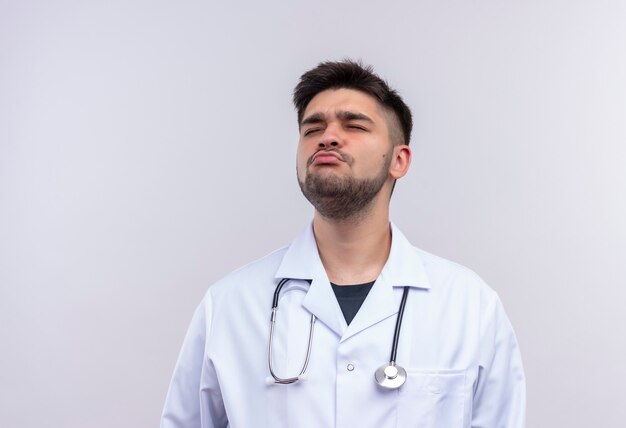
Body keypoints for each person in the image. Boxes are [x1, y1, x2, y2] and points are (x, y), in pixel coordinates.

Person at [161, 60, 526, 428]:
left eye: (353, 125)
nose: (328, 137)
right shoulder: (230, 304)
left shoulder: (469, 306)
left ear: (399, 160)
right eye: (312, 128)